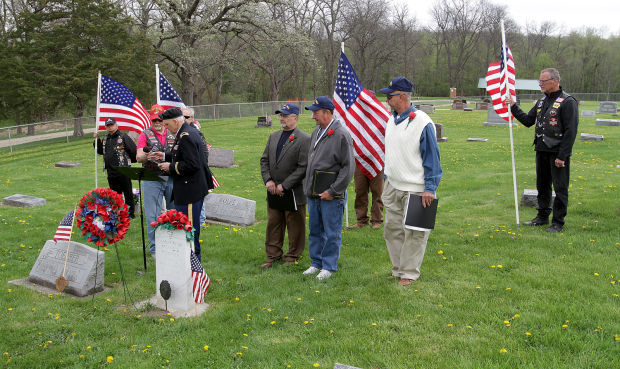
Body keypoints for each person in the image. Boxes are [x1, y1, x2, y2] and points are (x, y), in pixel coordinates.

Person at [379, 76, 442, 286]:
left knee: (415, 233)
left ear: (403, 96)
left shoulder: (422, 122)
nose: (387, 99)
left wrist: (430, 188)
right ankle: (398, 269)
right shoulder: (391, 120)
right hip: (393, 185)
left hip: (417, 188)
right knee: (392, 230)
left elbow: (432, 158)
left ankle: (409, 273)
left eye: (390, 96)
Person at [507, 68, 578, 233]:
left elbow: (571, 131)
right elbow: (527, 121)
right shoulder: (541, 102)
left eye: (543, 81)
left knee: (560, 188)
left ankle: (558, 222)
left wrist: (562, 156)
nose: (540, 84)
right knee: (542, 185)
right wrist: (513, 106)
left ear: (554, 81)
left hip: (558, 153)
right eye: (539, 81)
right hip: (541, 150)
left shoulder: (568, 102)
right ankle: (542, 216)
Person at [302, 96, 355, 280]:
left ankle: (329, 266)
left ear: (327, 112)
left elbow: (348, 168)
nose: (313, 117)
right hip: (314, 192)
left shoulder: (341, 134)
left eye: (316, 113)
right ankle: (316, 262)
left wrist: (333, 191)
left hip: (331, 194)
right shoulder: (317, 131)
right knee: (315, 229)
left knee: (331, 231)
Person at [147, 108, 210, 260]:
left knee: (189, 230)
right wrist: (164, 155)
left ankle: (194, 265)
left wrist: (170, 167)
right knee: (186, 229)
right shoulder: (183, 132)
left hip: (190, 191)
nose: (166, 128)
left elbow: (192, 164)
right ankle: (188, 262)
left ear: (176, 121)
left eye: (167, 124)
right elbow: (179, 153)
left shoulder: (186, 136)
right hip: (188, 189)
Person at [259, 103, 311, 268]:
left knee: (295, 225)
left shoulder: (304, 139)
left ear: (295, 118)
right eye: (280, 115)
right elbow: (264, 160)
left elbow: (303, 166)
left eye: (285, 115)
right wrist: (268, 180)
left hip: (293, 192)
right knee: (274, 223)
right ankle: (273, 256)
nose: (281, 118)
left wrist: (285, 185)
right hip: (273, 190)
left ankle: (292, 256)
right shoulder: (273, 136)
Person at [136, 104, 175, 258]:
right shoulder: (144, 135)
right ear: (150, 120)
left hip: (172, 177)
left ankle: (173, 244)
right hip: (151, 178)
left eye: (160, 120)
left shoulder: (173, 133)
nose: (157, 123)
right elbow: (138, 156)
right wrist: (147, 156)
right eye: (154, 120)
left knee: (174, 212)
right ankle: (155, 249)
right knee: (153, 215)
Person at [94, 117, 137, 218]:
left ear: (116, 125)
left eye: (112, 125)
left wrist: (132, 161)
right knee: (115, 195)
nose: (110, 127)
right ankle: (118, 213)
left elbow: (133, 150)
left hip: (124, 170)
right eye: (108, 125)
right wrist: (97, 140)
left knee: (127, 193)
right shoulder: (105, 138)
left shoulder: (123, 137)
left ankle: (130, 213)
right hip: (111, 171)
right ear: (106, 127)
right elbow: (100, 151)